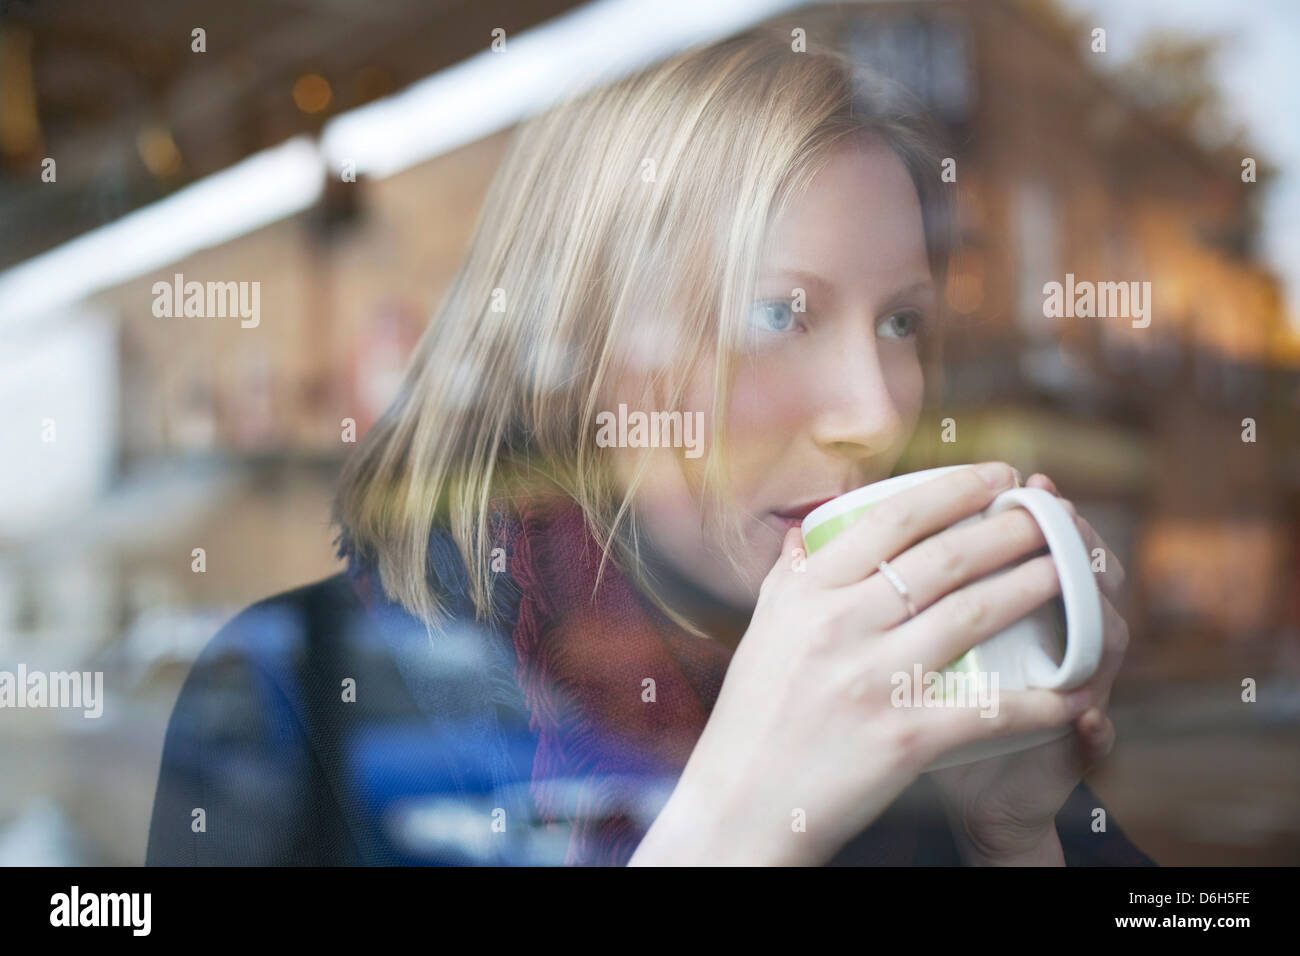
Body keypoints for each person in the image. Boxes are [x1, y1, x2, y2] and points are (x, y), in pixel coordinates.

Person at [146, 22, 1153, 867]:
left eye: (901, 324)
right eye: (776, 314)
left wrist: (1014, 833)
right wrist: (731, 828)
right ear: (584, 352)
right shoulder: (301, 687)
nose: (876, 412)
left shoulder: (919, 691)